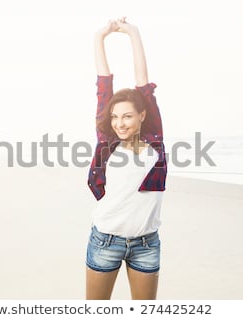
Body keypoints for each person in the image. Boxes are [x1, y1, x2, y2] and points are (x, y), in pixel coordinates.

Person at [86, 17, 168, 300]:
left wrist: (133, 33)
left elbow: (144, 85)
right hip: (105, 240)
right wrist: (100, 37)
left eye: (128, 116)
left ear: (142, 115)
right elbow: (103, 85)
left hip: (147, 244)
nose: (120, 123)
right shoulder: (107, 142)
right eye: (115, 117)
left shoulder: (154, 139)